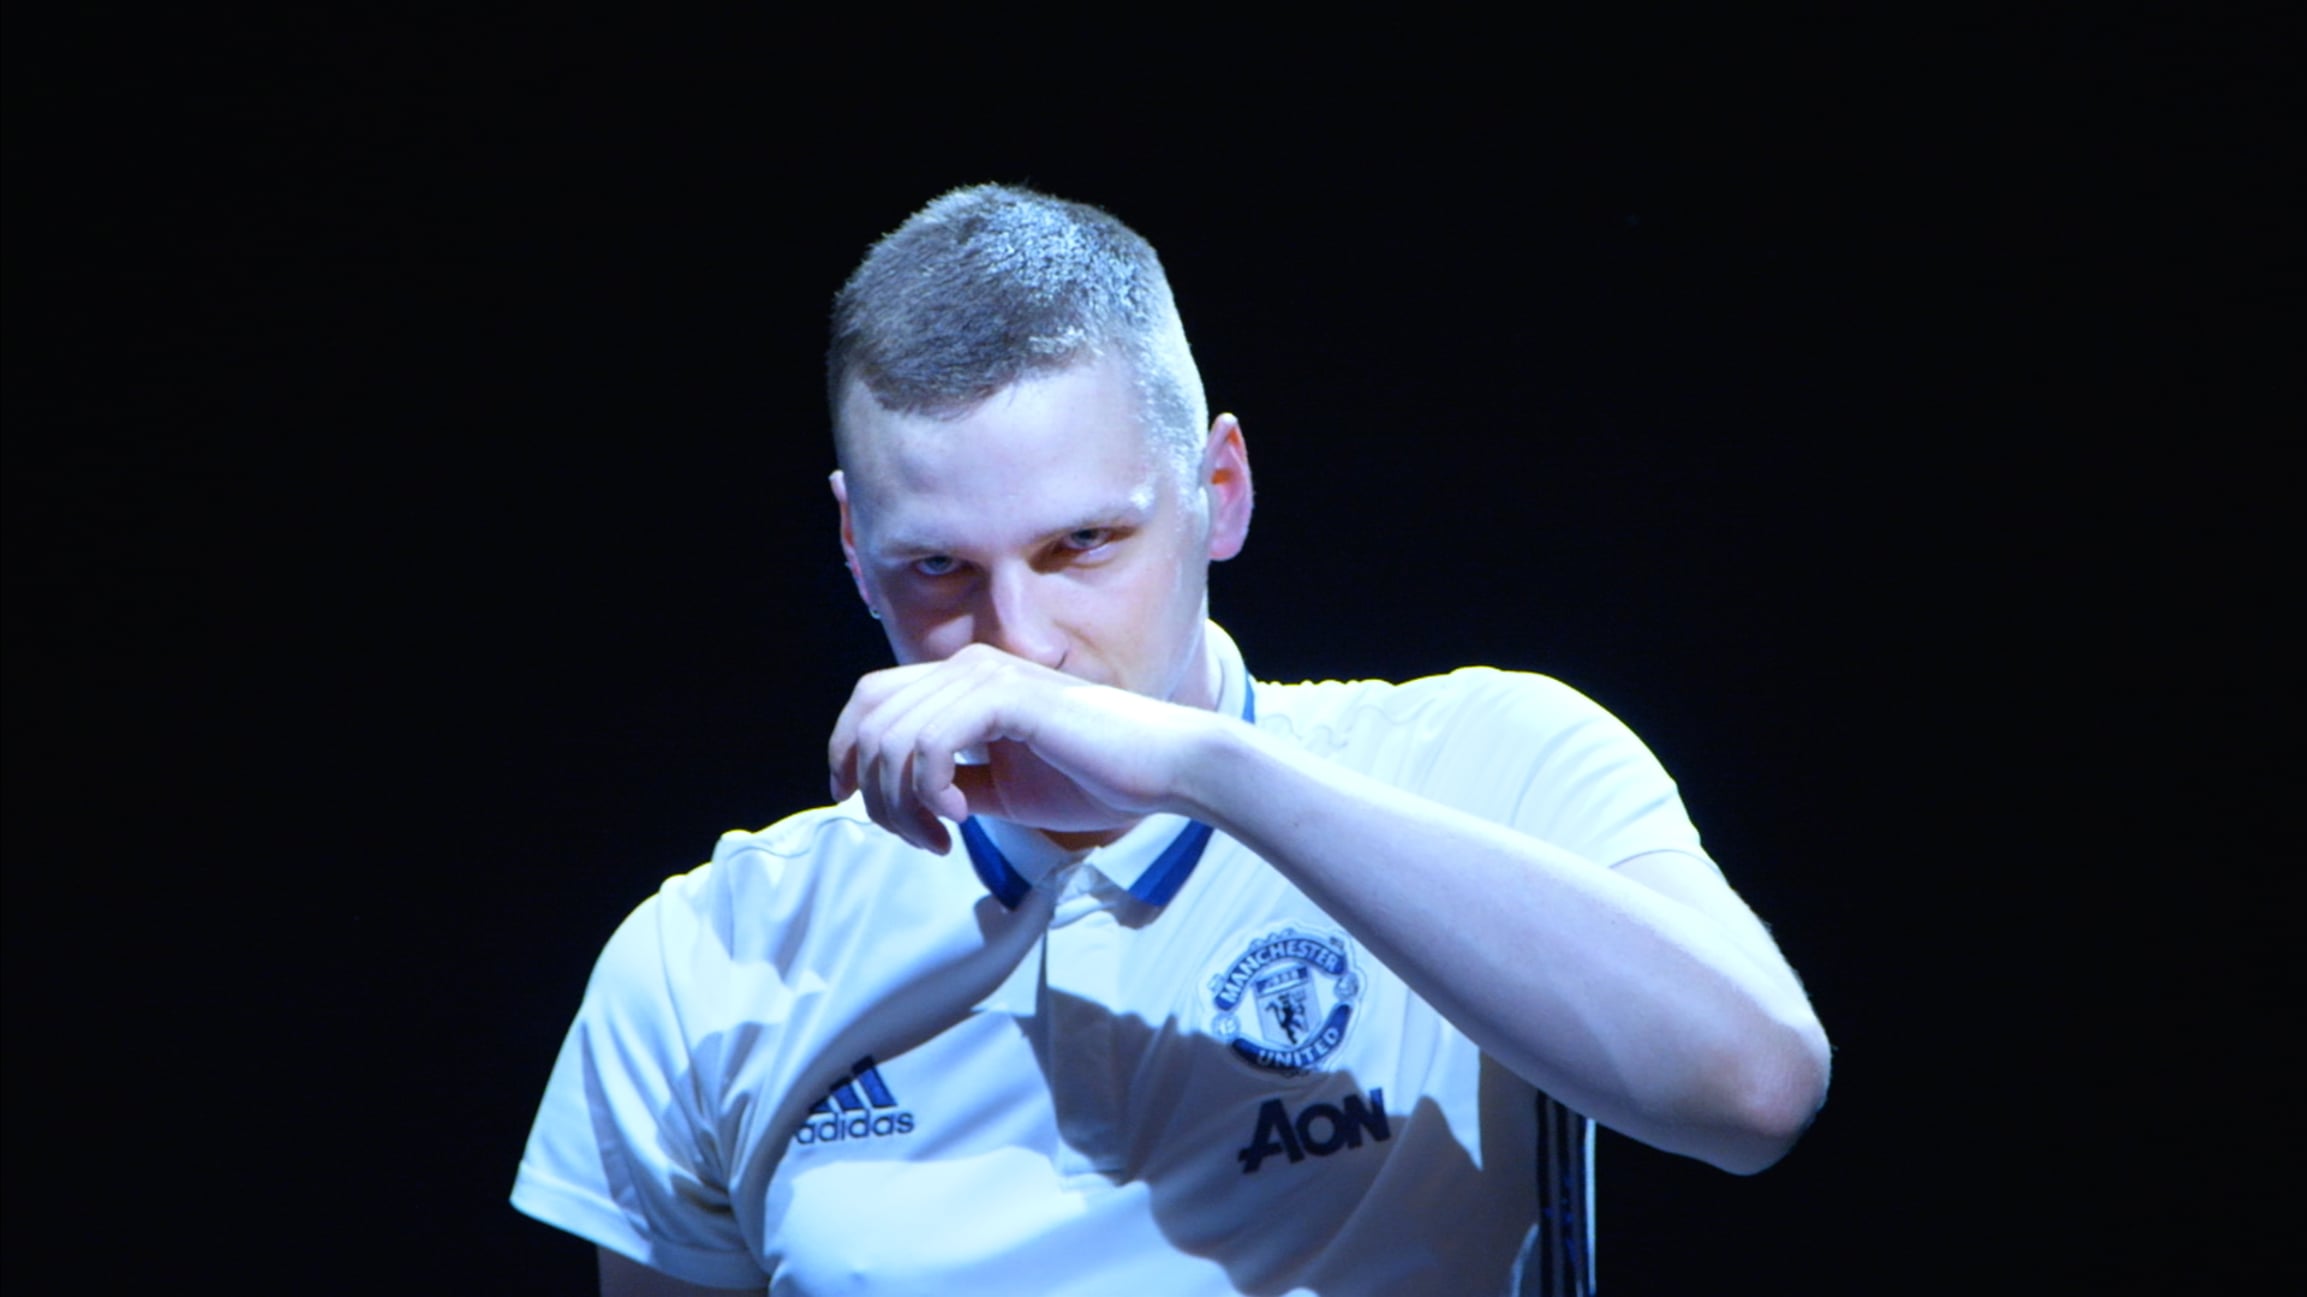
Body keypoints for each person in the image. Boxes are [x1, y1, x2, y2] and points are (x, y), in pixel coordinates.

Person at [512, 184, 1832, 1297]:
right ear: (854, 549)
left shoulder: (1488, 758)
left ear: (1220, 490)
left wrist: (1203, 769)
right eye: (937, 568)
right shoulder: (708, 957)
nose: (1018, 642)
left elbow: (1756, 1090)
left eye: (1083, 543)